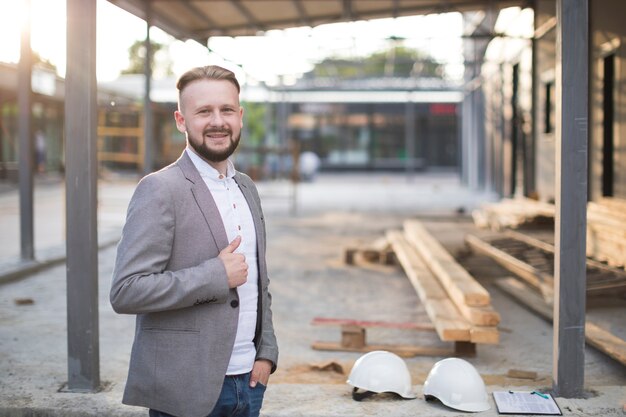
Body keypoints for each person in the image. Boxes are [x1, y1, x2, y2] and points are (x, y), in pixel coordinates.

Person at [110, 65, 278, 417]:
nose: (218, 121)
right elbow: (127, 290)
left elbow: (260, 284)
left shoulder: (246, 187)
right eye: (204, 111)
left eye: (226, 110)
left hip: (249, 383)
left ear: (240, 116)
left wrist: (266, 354)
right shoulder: (160, 189)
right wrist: (215, 275)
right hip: (187, 388)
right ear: (181, 120)